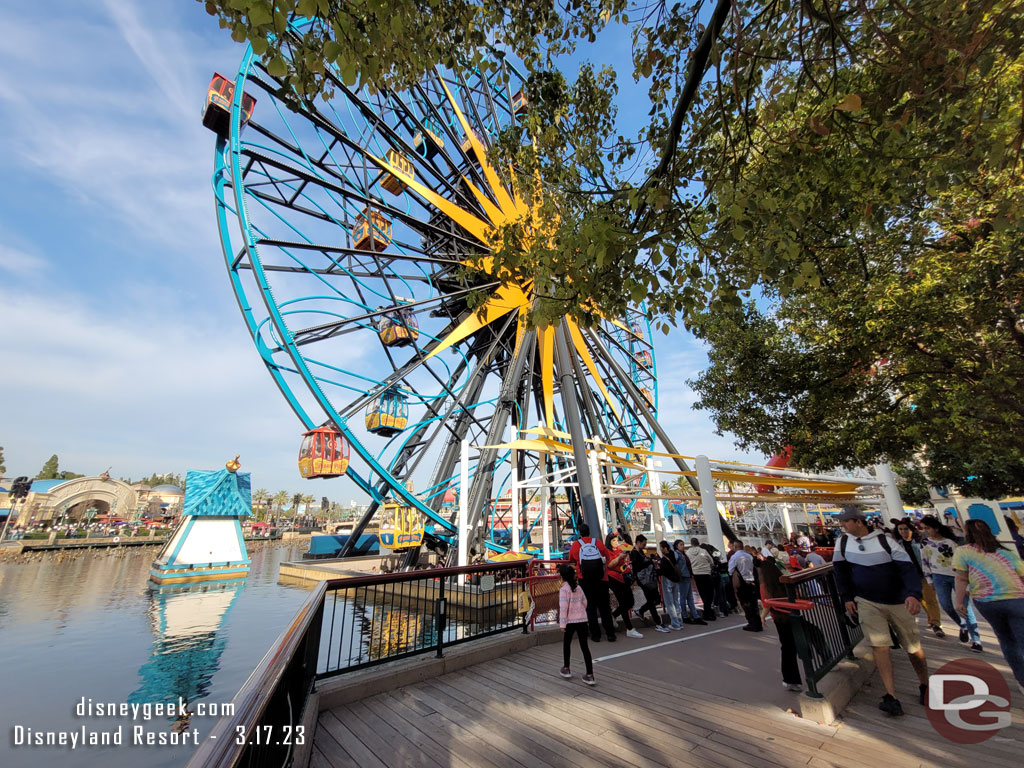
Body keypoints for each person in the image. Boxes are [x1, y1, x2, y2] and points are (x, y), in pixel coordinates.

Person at [832, 506, 929, 717]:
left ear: (859, 522)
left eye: (846, 521)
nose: (842, 525)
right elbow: (840, 571)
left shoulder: (886, 541)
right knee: (879, 646)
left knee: (913, 647)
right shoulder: (843, 542)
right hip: (866, 601)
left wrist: (913, 594)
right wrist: (847, 597)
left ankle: (924, 684)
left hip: (897, 600)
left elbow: (907, 569)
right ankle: (891, 695)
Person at [953, 519, 1024, 694]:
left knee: (1006, 639)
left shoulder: (962, 551)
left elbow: (962, 578)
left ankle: (1022, 680)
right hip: (1016, 597)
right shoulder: (1005, 552)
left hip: (986, 601)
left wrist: (959, 601)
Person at [920, 515, 982, 650]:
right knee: (946, 605)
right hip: (938, 576)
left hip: (956, 575)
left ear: (936, 528)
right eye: (924, 528)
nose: (925, 531)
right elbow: (924, 562)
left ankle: (976, 639)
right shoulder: (925, 543)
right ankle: (962, 625)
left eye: (928, 528)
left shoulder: (950, 542)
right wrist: (929, 579)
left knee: (965, 607)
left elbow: (961, 560)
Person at [894, 518, 945, 638]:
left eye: (905, 529)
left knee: (930, 599)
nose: (903, 531)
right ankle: (930, 620)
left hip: (924, 574)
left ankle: (935, 623)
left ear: (911, 529)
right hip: (909, 576)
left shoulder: (921, 541)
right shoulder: (896, 545)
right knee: (919, 599)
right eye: (900, 529)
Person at [759, 557, 802, 691]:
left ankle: (790, 680)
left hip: (779, 618)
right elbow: (797, 594)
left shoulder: (765, 585)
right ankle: (826, 657)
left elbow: (767, 603)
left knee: (787, 647)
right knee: (800, 643)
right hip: (794, 615)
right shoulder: (784, 580)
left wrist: (763, 616)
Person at [568, 524, 617, 643]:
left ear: (580, 533)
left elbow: (571, 559)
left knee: (590, 607)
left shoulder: (576, 545)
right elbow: (608, 556)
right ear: (589, 532)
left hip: (585, 580)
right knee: (605, 607)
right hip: (601, 579)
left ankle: (595, 635)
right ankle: (610, 634)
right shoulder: (598, 543)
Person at [557, 563, 595, 685]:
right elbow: (585, 602)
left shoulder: (564, 590)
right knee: (585, 646)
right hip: (582, 620)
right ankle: (590, 674)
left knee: (567, 644)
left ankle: (566, 668)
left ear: (562, 576)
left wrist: (562, 624)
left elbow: (563, 608)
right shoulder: (578, 588)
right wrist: (581, 611)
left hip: (570, 621)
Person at [604, 532, 643, 638]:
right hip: (614, 578)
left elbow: (630, 546)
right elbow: (610, 565)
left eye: (617, 540)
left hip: (624, 577)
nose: (616, 542)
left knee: (630, 602)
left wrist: (625, 536)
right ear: (609, 542)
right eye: (613, 540)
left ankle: (614, 615)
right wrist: (619, 557)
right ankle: (629, 628)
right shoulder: (608, 551)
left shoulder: (621, 549)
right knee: (624, 602)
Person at [630, 535, 670, 632]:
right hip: (644, 580)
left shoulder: (640, 552)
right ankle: (658, 623)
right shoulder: (634, 553)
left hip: (649, 579)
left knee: (656, 600)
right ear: (638, 543)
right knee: (652, 601)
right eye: (643, 544)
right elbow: (636, 567)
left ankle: (641, 610)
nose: (645, 545)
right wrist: (649, 562)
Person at [728, 540, 763, 631]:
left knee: (745, 604)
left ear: (735, 547)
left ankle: (752, 624)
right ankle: (758, 623)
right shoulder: (749, 556)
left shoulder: (734, 557)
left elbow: (730, 571)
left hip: (742, 583)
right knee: (753, 603)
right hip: (752, 581)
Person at [673, 539, 706, 624]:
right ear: (676, 546)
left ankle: (695, 616)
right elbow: (674, 563)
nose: (683, 546)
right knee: (684, 597)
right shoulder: (677, 554)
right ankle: (685, 616)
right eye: (681, 544)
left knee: (689, 597)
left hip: (687, 576)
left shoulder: (683, 554)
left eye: (683, 544)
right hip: (683, 577)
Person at [687, 537, 718, 621]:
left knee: (702, 592)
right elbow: (711, 561)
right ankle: (708, 611)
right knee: (710, 592)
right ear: (698, 543)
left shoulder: (688, 552)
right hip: (706, 573)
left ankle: (707, 611)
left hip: (696, 574)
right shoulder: (703, 551)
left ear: (691, 543)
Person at [657, 540, 685, 630]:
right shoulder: (673, 554)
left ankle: (675, 623)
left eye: (661, 547)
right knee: (676, 601)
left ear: (665, 548)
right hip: (676, 580)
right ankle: (680, 622)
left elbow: (662, 571)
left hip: (667, 580)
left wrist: (657, 566)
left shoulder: (665, 559)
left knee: (669, 603)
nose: (661, 549)